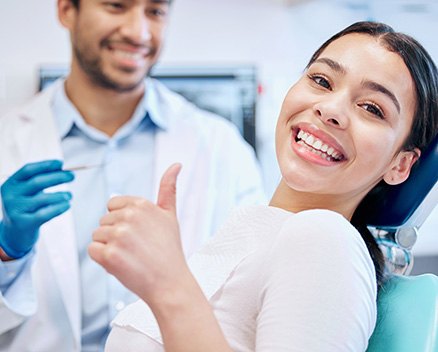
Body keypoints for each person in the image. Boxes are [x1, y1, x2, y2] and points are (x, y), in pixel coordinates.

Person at [90, 21, 438, 351]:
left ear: (400, 164)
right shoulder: (256, 233)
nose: (330, 109)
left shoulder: (325, 239)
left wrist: (168, 283)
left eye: (372, 108)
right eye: (321, 80)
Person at [0, 0, 265, 351]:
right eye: (116, 6)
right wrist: (6, 253)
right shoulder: (7, 141)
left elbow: (252, 295)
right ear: (66, 10)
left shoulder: (220, 146)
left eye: (154, 12)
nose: (138, 32)